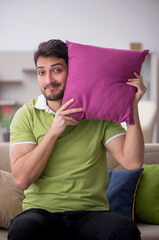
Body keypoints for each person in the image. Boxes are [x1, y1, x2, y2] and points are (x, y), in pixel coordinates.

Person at [8, 39, 146, 240]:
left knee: (124, 231)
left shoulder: (99, 114)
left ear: (73, 71)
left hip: (91, 213)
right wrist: (54, 132)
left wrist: (132, 105)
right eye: (41, 72)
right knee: (23, 230)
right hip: (41, 213)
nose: (48, 80)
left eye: (56, 70)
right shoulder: (26, 115)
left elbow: (132, 162)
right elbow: (21, 179)